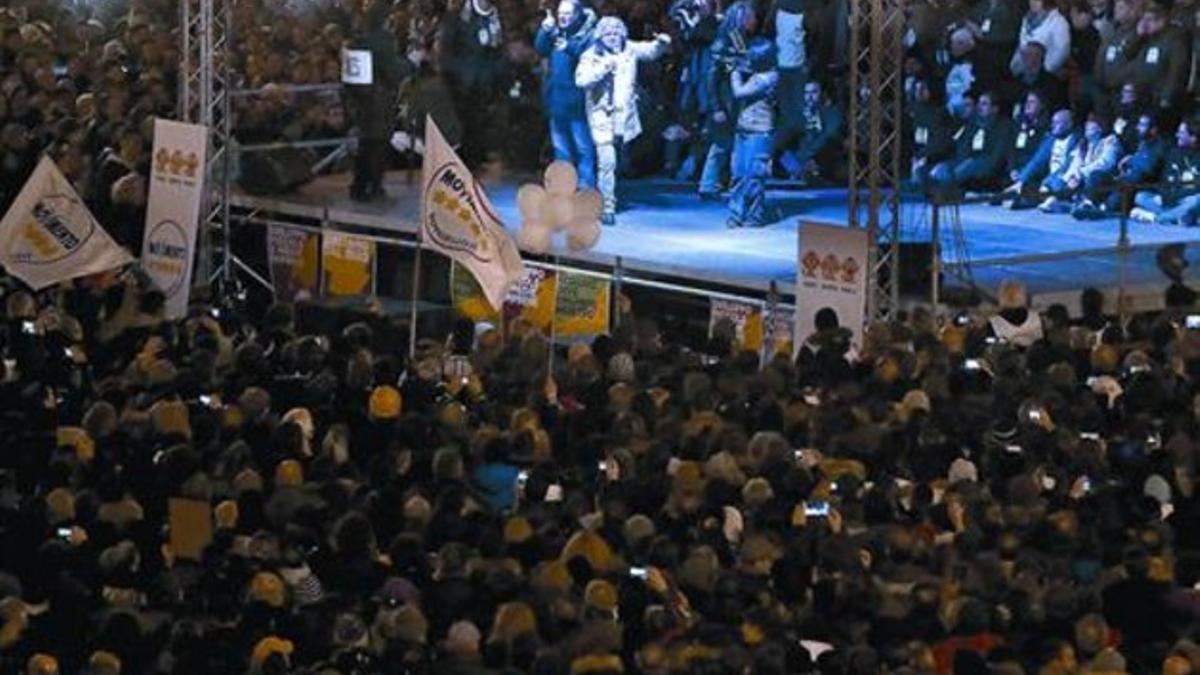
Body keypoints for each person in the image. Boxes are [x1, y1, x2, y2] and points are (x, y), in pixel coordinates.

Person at [575, 17, 670, 226]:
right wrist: (603, 68)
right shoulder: (591, 55)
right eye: (608, 34)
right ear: (600, 36)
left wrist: (662, 43)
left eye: (617, 33)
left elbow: (650, 51)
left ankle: (607, 192)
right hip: (602, 115)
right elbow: (581, 80)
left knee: (616, 160)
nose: (613, 37)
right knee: (607, 161)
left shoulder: (629, 49)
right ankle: (607, 206)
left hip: (623, 116)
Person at [345, 0, 410, 202]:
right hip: (379, 98)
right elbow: (392, 70)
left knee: (366, 143)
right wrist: (409, 66)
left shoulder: (358, 39)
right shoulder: (383, 40)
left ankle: (358, 185)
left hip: (360, 98)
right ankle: (374, 186)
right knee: (378, 144)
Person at [534, 0, 598, 190]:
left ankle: (586, 188)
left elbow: (590, 56)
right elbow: (541, 48)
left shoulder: (588, 34)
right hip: (557, 101)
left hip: (578, 103)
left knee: (583, 148)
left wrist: (568, 48)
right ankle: (564, 187)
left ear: (578, 15)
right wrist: (544, 31)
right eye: (561, 13)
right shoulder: (556, 32)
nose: (563, 17)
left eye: (568, 13)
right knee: (561, 149)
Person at [698, 1, 756, 200]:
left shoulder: (741, 40)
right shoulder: (724, 42)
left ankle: (716, 183)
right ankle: (708, 184)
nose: (753, 20)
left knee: (727, 144)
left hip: (734, 101)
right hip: (725, 102)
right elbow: (711, 78)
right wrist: (716, 107)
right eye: (749, 17)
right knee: (722, 144)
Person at [439, 0, 505, 168]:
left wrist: (496, 70)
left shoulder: (494, 16)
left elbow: (497, 48)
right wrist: (454, 71)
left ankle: (476, 157)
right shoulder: (457, 17)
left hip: (485, 79)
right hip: (461, 80)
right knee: (464, 120)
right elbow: (446, 49)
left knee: (479, 119)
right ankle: (464, 160)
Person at [727, 38, 778, 229]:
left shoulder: (768, 77)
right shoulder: (759, 74)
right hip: (743, 129)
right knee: (739, 174)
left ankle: (754, 216)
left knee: (754, 176)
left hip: (760, 132)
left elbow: (739, 92)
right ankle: (736, 215)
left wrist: (735, 72)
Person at [929, 91, 1010, 194]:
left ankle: (946, 191)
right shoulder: (972, 124)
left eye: (984, 104)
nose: (980, 107)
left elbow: (997, 155)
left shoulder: (1003, 126)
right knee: (941, 168)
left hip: (986, 163)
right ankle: (940, 189)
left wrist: (971, 163)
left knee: (968, 165)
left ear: (995, 109)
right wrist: (951, 165)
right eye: (979, 103)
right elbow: (963, 150)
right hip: (966, 163)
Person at [1007, 108, 1081, 210]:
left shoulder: (1076, 140)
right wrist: (1021, 180)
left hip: (1065, 180)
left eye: (1057, 123)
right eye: (1052, 122)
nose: (1052, 126)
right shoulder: (1051, 139)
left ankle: (1054, 202)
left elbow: (1067, 167)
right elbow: (1037, 161)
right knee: (1027, 186)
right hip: (1048, 181)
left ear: (1069, 124)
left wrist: (1048, 182)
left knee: (1055, 187)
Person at [1130, 117, 1200, 224]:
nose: (1177, 135)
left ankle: (1156, 218)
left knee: (1197, 200)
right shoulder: (1173, 153)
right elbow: (1165, 180)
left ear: (1193, 137)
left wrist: (1175, 197)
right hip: (1171, 199)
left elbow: (1197, 187)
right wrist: (1164, 196)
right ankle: (1178, 216)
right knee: (1140, 197)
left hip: (1186, 198)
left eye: (1181, 133)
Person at [776, 79, 843, 183]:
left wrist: (808, 158)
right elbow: (781, 142)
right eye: (806, 93)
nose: (810, 97)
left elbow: (830, 136)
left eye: (814, 92)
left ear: (821, 94)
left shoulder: (831, 115)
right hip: (797, 161)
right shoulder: (793, 115)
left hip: (823, 160)